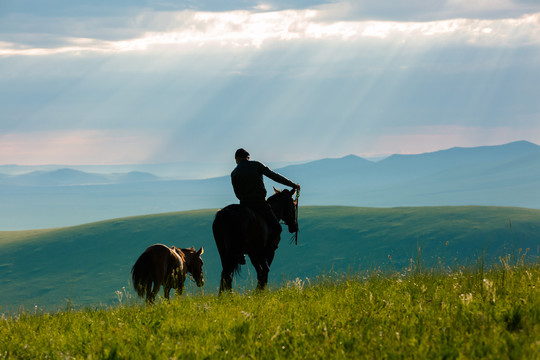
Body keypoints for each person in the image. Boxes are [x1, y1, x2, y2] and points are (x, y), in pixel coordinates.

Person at [231, 148, 300, 253]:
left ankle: (240, 253)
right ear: (247, 157)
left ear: (237, 158)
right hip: (260, 204)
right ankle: (266, 252)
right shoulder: (256, 165)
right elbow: (273, 176)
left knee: (237, 230)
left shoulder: (234, 172)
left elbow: (237, 194)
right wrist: (292, 184)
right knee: (277, 228)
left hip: (244, 206)